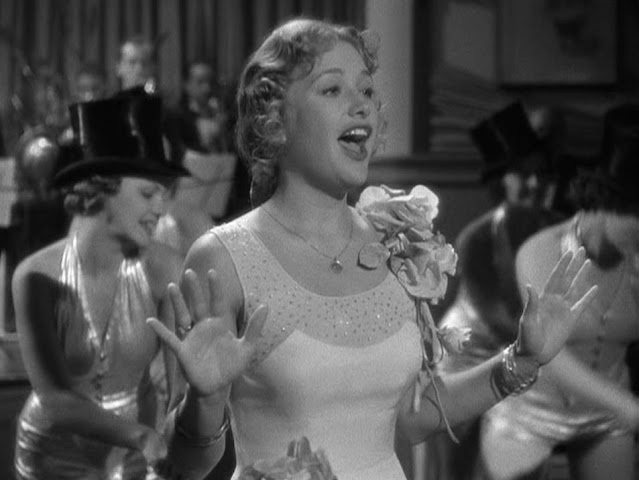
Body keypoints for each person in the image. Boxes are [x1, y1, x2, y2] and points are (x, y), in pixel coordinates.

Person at [146, 18, 599, 480]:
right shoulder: (223, 258)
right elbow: (186, 465)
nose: (361, 105)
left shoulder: (397, 242)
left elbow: (414, 416)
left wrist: (521, 358)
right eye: (332, 89)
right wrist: (204, 402)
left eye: (365, 90)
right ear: (275, 120)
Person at [12, 93, 188, 479]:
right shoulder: (34, 277)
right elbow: (55, 400)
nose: (160, 209)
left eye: (163, 194)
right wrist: (141, 436)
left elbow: (181, 388)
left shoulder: (165, 269)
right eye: (148, 193)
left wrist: (173, 432)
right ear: (100, 187)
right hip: (53, 458)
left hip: (140, 457)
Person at [479, 104, 639, 480]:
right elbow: (551, 355)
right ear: (605, 204)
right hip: (531, 411)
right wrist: (630, 407)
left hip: (605, 416)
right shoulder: (541, 252)